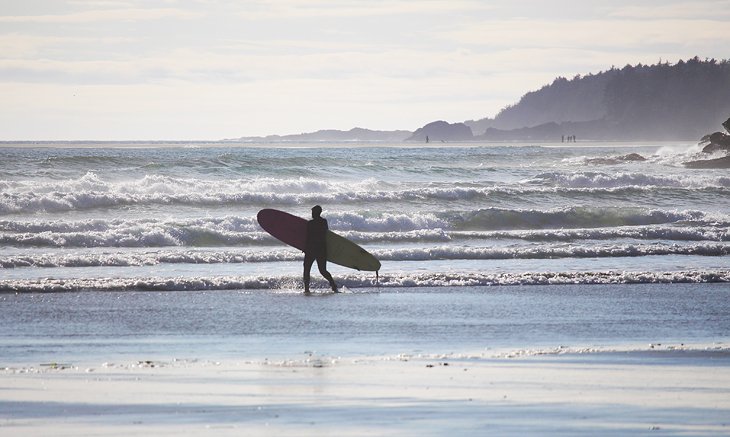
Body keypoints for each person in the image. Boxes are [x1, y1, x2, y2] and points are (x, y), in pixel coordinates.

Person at [303, 205, 337, 293]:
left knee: (307, 269)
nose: (311, 214)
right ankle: (333, 285)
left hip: (311, 249)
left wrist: (305, 247)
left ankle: (306, 289)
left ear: (316, 213)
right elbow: (327, 235)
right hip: (321, 249)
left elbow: (308, 237)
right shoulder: (324, 222)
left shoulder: (310, 223)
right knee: (322, 270)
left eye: (313, 212)